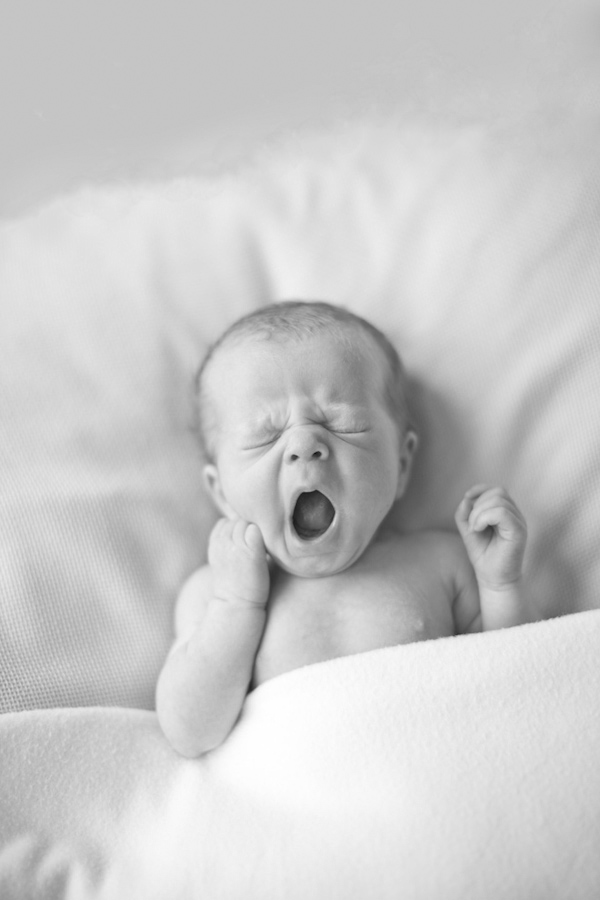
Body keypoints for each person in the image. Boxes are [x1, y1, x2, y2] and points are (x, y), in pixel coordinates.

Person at [156, 300, 528, 757]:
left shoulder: (440, 564)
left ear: (402, 462)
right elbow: (189, 732)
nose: (304, 444)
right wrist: (236, 605)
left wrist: (500, 585)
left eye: (343, 424)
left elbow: (515, 689)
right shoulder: (213, 594)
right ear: (221, 493)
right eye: (264, 436)